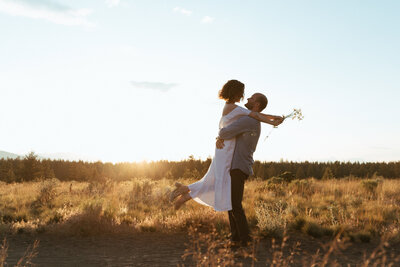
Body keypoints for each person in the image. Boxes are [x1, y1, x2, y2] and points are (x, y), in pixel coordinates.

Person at [170, 80, 283, 215]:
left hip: (225, 146)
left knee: (214, 178)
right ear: (236, 93)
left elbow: (256, 115)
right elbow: (256, 115)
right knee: (219, 179)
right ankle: (184, 191)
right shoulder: (234, 108)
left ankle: (185, 192)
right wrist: (272, 122)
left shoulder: (231, 107)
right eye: (242, 93)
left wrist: (273, 117)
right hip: (226, 148)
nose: (244, 96)